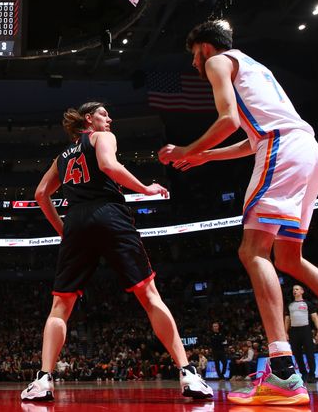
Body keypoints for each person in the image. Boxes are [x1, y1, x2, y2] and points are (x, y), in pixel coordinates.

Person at [158, 20, 318, 405]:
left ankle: (283, 372)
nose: (194, 65)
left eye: (194, 55)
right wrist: (204, 156)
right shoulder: (255, 65)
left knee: (252, 251)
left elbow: (228, 121)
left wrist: (185, 150)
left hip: (281, 150)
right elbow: (248, 139)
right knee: (290, 257)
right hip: (306, 150)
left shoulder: (218, 62)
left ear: (206, 48)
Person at [21, 102, 213, 402]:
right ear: (89, 119)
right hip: (109, 213)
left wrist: (63, 229)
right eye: (103, 114)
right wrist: (145, 189)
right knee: (149, 295)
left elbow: (40, 194)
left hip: (76, 221)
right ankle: (187, 372)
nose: (109, 119)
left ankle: (43, 380)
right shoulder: (100, 138)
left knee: (61, 305)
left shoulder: (61, 157)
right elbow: (109, 166)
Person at [286, 284, 318, 383]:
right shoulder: (290, 305)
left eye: (297, 289)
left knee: (310, 354)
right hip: (293, 331)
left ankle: (312, 374)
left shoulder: (308, 304)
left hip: (306, 330)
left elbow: (315, 318)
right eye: (293, 289)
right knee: (297, 354)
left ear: (302, 291)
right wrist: (285, 332)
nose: (295, 291)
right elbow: (287, 319)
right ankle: (304, 373)